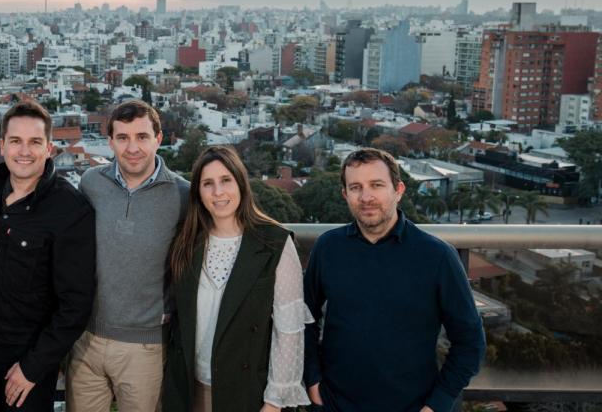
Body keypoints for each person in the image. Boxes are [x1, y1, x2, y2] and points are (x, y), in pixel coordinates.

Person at [303, 148, 486, 412]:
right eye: (356, 187)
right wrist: (313, 381)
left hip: (413, 406)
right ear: (345, 195)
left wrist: (437, 404)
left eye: (376, 185)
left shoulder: (437, 256)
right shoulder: (328, 247)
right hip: (334, 404)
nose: (366, 197)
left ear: (398, 190)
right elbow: (303, 319)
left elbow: (470, 342)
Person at [0, 100, 96, 411]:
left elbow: (75, 304)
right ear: (1, 146)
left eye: (34, 142)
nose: (24, 151)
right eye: (15, 141)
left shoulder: (69, 209)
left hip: (27, 363)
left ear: (49, 148)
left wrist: (33, 368)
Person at [162, 145, 312, 412]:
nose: (218, 192)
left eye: (225, 180)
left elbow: (288, 332)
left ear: (241, 182)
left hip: (246, 395)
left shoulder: (274, 244)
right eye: (208, 183)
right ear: (198, 191)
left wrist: (274, 403)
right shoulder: (186, 241)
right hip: (188, 390)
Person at [66, 99, 189, 412]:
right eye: (122, 138)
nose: (132, 147)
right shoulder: (92, 183)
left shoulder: (183, 194)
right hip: (86, 339)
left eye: (142, 137)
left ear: (158, 139)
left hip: (146, 346)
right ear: (110, 142)